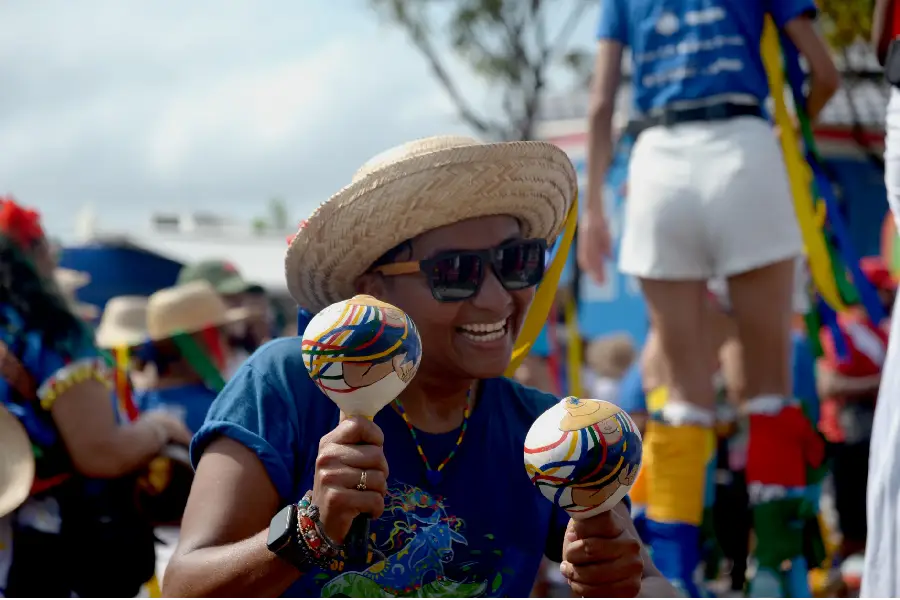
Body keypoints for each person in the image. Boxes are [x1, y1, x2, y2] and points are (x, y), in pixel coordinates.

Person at [161, 136, 678, 599]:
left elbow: (649, 583)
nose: (498, 297)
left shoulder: (549, 434)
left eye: (518, 261)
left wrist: (621, 583)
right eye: (456, 272)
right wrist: (310, 530)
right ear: (373, 290)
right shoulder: (289, 384)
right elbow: (185, 587)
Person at [579, 2, 839, 597]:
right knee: (770, 393)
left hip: (658, 168)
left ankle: (676, 577)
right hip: (745, 149)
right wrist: (786, 143)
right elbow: (825, 73)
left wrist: (593, 209)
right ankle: (777, 574)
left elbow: (599, 106)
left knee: (683, 403)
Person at [0, 197, 192, 599]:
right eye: (46, 244)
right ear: (32, 252)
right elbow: (100, 452)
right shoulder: (50, 335)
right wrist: (160, 429)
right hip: (55, 552)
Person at [818, 257, 894, 564]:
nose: (888, 296)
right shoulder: (840, 331)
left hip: (882, 436)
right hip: (850, 440)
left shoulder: (883, 330)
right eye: (881, 289)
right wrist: (884, 383)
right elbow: (829, 385)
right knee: (855, 528)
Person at [134, 281, 248, 434]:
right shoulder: (222, 414)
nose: (227, 344)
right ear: (202, 342)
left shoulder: (133, 406)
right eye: (222, 332)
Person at [177, 260, 270, 376]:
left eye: (241, 297)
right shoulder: (174, 369)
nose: (242, 307)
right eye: (229, 298)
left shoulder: (247, 359)